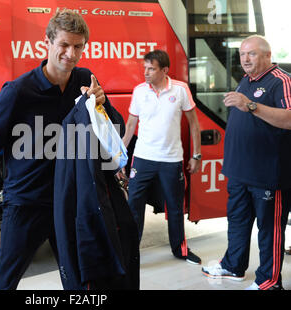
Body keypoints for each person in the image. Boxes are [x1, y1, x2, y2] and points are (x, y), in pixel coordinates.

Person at [0, 9, 123, 290]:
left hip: (72, 200)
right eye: (64, 45)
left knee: (79, 278)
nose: (71, 53)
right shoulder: (18, 91)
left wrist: (103, 105)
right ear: (48, 43)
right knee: (4, 279)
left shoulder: (86, 80)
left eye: (78, 46)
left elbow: (115, 130)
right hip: (28, 202)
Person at [201, 35, 291, 290]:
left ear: (267, 55)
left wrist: (250, 105)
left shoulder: (281, 81)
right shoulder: (246, 81)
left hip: (268, 174)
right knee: (237, 222)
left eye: (251, 54)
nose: (245, 59)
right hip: (240, 172)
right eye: (242, 54)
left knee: (269, 230)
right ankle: (233, 266)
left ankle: (270, 281)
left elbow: (289, 118)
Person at [122, 49, 202, 265]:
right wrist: (120, 157)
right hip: (142, 158)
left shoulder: (181, 89)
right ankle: (130, 252)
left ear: (164, 70)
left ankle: (180, 249)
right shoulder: (139, 91)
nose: (145, 72)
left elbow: (194, 124)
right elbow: (131, 125)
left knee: (175, 207)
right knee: (134, 207)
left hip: (171, 160)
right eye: (144, 68)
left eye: (151, 68)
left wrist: (196, 155)